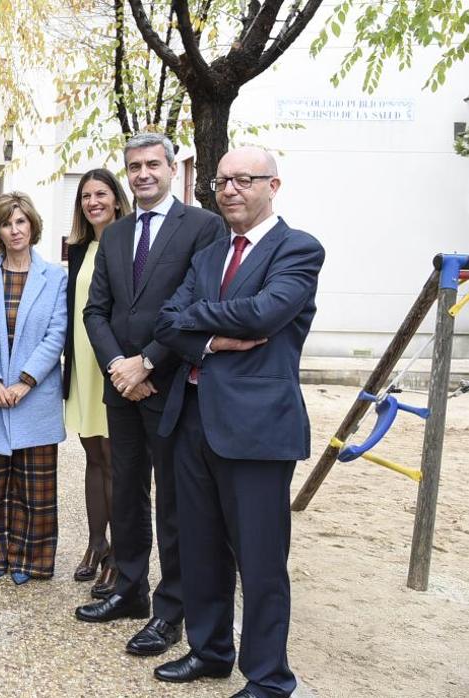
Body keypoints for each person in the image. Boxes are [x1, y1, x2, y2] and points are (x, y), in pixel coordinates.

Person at [152, 146, 323, 698]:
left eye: (243, 180)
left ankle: (270, 679)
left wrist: (195, 323)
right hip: (193, 419)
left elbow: (267, 312)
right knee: (198, 547)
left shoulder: (297, 249)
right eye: (222, 181)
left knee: (260, 559)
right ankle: (210, 651)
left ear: (273, 185)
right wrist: (216, 339)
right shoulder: (208, 255)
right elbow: (166, 320)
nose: (229, 190)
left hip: (256, 430)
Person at [75, 133, 226, 660]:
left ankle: (171, 613)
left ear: (170, 168)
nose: (142, 173)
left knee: (175, 503)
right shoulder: (114, 235)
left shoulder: (204, 228)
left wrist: (148, 362)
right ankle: (129, 589)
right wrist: (119, 365)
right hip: (122, 387)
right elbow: (97, 311)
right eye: (134, 165)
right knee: (127, 492)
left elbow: (198, 305)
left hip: (172, 385)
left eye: (152, 164)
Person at [0, 192, 67, 585]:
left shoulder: (55, 276)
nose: (15, 230)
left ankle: (32, 559)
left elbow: (57, 333)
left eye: (21, 221)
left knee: (36, 488)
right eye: (7, 223)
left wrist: (25, 382)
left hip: (35, 393)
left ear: (33, 226)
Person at [63, 169, 132, 596]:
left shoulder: (127, 243)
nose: (93, 202)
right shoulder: (79, 248)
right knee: (92, 454)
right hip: (82, 363)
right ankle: (95, 543)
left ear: (116, 198)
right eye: (86, 196)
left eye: (101, 193)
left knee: (116, 460)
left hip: (115, 362)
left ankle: (120, 555)